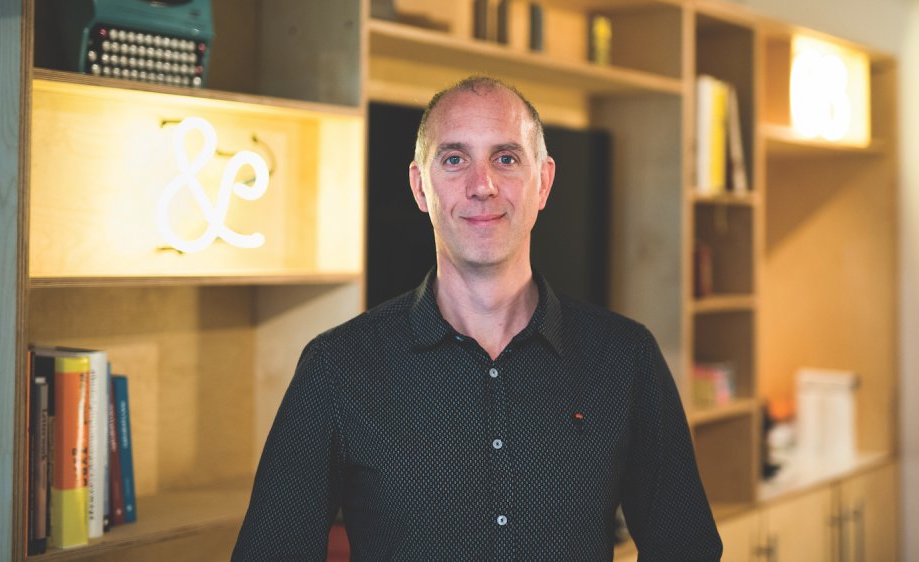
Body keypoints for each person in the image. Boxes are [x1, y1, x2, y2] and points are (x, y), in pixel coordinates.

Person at [232, 75, 723, 561]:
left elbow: (686, 549)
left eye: (505, 159)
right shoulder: (337, 367)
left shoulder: (625, 357)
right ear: (420, 187)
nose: (482, 185)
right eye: (454, 159)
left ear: (543, 183)